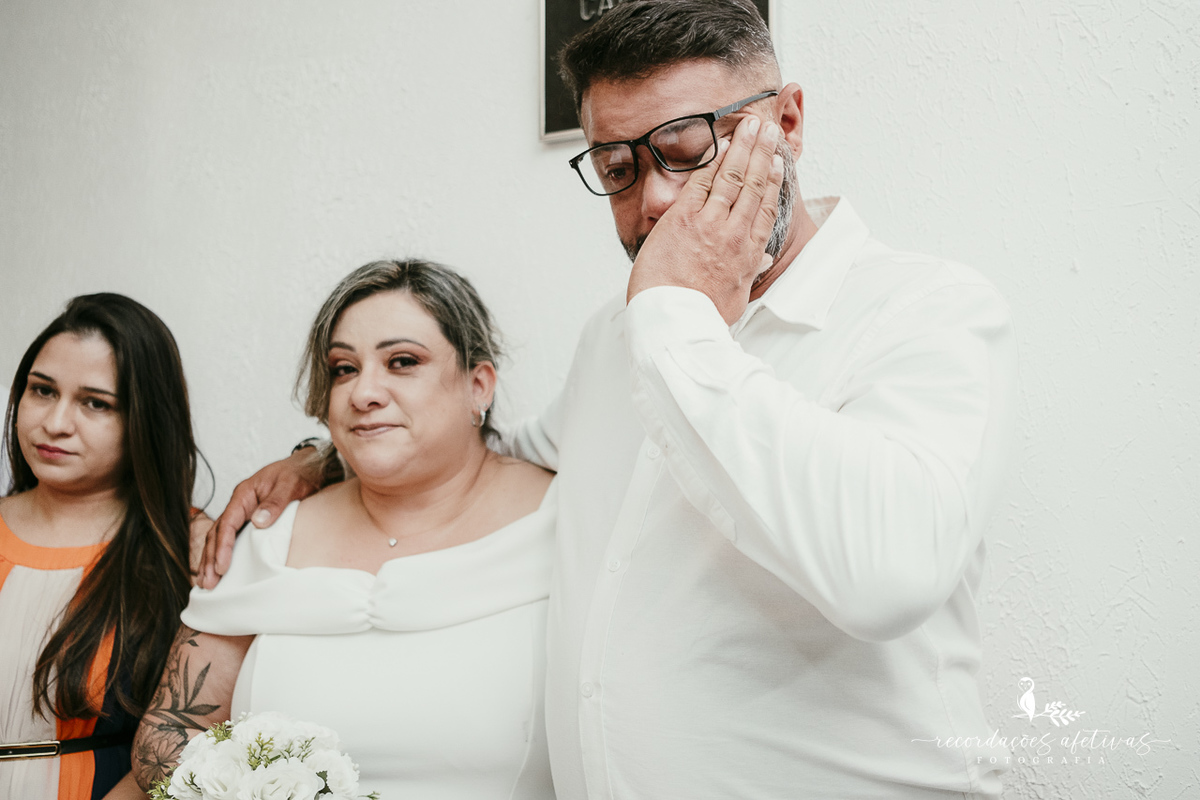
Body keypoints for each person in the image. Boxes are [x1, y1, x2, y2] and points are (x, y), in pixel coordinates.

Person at [204, 2, 1017, 797]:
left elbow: (887, 574)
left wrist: (676, 317)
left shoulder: (925, 309)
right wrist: (323, 462)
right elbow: (494, 458)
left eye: (686, 150)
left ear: (788, 122)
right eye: (618, 171)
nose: (654, 200)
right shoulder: (614, 336)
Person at [134, 260, 557, 800]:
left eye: (402, 362)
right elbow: (166, 733)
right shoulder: (265, 536)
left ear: (479, 386)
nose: (363, 393)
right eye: (343, 369)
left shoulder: (565, 522)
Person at [0, 294, 200, 800]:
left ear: (146, 419)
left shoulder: (189, 552)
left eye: (95, 403)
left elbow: (196, 738)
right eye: (43, 390)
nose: (56, 422)